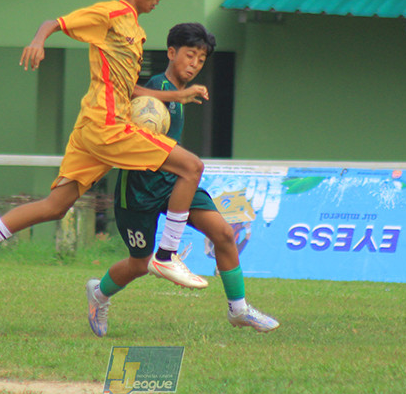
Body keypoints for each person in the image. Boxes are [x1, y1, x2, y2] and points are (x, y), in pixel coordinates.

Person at [0, 0, 209, 294]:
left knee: (55, 206)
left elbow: (129, 89)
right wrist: (39, 41)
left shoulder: (135, 30)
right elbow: (54, 23)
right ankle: (167, 255)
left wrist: (176, 96)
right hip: (107, 126)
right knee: (191, 167)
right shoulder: (111, 13)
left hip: (92, 128)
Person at [86, 23, 280, 336]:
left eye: (201, 60)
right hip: (138, 189)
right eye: (190, 56)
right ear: (171, 53)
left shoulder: (179, 94)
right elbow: (128, 91)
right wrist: (177, 94)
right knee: (139, 263)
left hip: (174, 182)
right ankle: (99, 293)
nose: (194, 64)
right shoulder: (158, 87)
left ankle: (239, 309)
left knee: (224, 235)